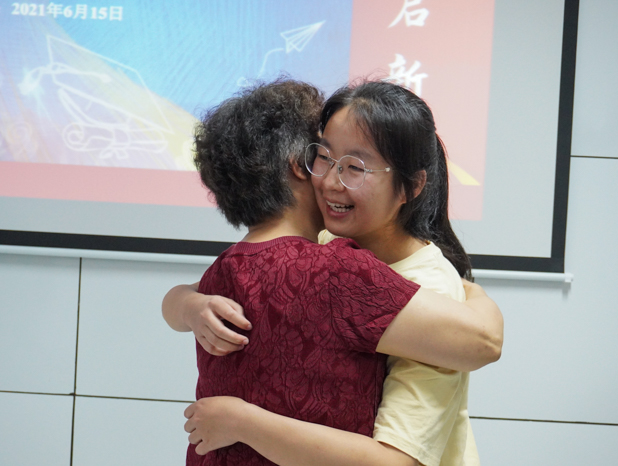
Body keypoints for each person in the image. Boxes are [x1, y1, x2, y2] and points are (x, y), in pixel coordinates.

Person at [163, 79, 503, 466]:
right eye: (323, 156)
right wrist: (188, 305)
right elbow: (194, 292)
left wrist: (242, 422)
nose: (329, 181)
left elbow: (400, 458)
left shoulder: (424, 285)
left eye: (355, 167)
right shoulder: (322, 246)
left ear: (411, 186)